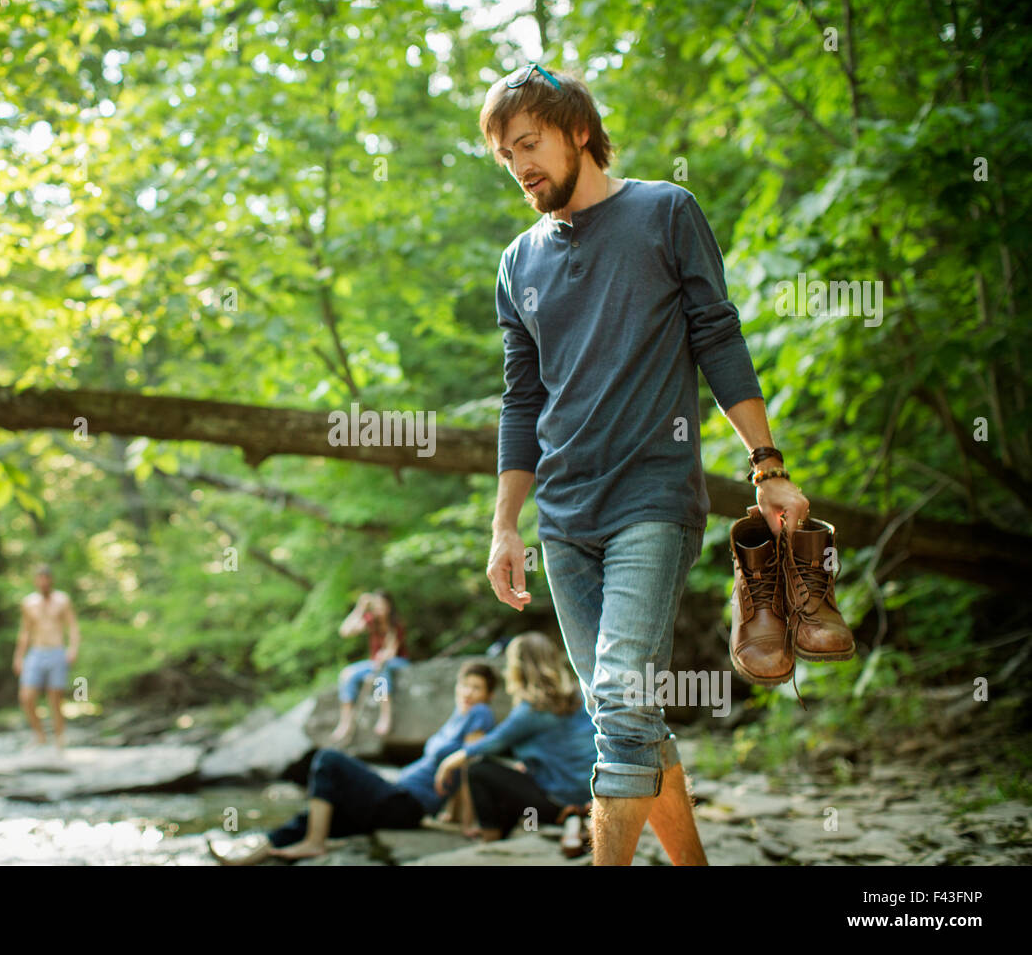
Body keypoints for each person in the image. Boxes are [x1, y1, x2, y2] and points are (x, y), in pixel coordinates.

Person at [479, 64, 812, 865]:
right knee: (623, 714)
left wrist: (766, 464)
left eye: (529, 143)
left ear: (579, 131)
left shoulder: (665, 211)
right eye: (504, 154)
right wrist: (504, 524)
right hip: (563, 519)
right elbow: (521, 402)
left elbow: (717, 337)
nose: (519, 165)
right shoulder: (517, 263)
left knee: (622, 705)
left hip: (652, 500)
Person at [208, 661, 498, 864]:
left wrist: (468, 822)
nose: (469, 693)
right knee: (320, 814)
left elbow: (468, 767)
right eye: (465, 685)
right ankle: (247, 859)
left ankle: (315, 843)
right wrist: (450, 814)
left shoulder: (480, 715)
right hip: (398, 797)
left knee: (329, 759)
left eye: (477, 688)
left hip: (406, 804)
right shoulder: (458, 717)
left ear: (488, 695)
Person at [434, 632, 593, 841]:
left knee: (479, 770)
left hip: (558, 801)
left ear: (519, 667)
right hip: (590, 796)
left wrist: (448, 762)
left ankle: (490, 839)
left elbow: (493, 742)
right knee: (512, 776)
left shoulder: (532, 710)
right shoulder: (579, 696)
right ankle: (573, 821)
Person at [13, 564, 80, 750]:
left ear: (51, 580)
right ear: (35, 581)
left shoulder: (62, 600)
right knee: (26, 697)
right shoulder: (28, 603)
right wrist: (19, 656)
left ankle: (59, 739)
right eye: (39, 578)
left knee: (55, 699)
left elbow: (72, 626)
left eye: (46, 578)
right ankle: (40, 735)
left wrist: (73, 648)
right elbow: (25, 632)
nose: (43, 582)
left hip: (57, 651)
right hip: (36, 652)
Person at [331, 590, 409, 741]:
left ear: (389, 606)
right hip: (375, 662)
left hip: (398, 662)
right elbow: (345, 631)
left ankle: (385, 714)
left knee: (382, 667)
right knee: (347, 674)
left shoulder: (397, 624)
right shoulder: (371, 620)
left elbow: (392, 652)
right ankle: (346, 722)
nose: (379, 608)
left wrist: (383, 656)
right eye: (376, 605)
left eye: (382, 605)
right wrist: (360, 608)